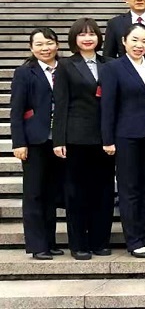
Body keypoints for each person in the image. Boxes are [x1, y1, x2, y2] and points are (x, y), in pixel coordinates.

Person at [52, 19, 113, 260]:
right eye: (82, 35)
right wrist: (59, 140)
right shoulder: (66, 65)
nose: (88, 39)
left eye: (92, 34)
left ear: (99, 38)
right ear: (74, 39)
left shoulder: (110, 63)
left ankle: (100, 241)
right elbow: (61, 104)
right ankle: (78, 244)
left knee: (104, 191)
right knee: (76, 193)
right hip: (76, 138)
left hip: (105, 137)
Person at [99, 24, 145, 258]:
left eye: (144, 41)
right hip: (126, 135)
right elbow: (107, 105)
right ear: (124, 41)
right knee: (130, 190)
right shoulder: (113, 68)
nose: (139, 45)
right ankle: (133, 240)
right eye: (134, 40)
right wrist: (108, 139)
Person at [11, 28, 62, 260]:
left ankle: (50, 242)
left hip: (59, 140)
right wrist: (19, 142)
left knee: (51, 192)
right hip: (35, 140)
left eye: (49, 43)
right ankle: (37, 245)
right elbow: (16, 110)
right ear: (31, 48)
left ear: (57, 45)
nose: (45, 48)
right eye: (39, 44)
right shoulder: (24, 72)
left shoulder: (65, 69)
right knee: (34, 194)